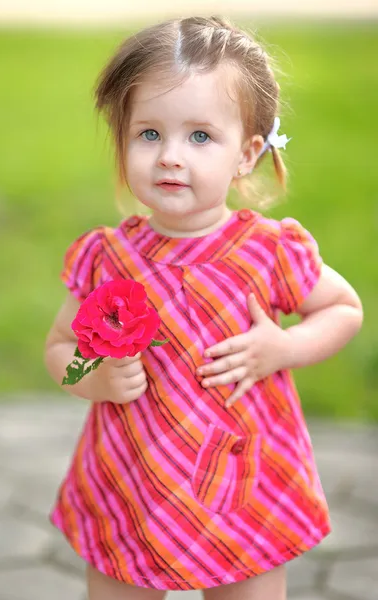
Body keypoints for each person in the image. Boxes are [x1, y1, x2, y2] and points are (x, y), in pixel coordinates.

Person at [44, 15, 363, 600]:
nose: (170, 156)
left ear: (245, 154)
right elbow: (60, 348)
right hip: (133, 479)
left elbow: (344, 309)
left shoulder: (269, 251)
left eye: (199, 137)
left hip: (245, 482)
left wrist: (284, 347)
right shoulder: (106, 257)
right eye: (148, 134)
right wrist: (96, 378)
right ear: (122, 139)